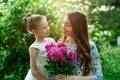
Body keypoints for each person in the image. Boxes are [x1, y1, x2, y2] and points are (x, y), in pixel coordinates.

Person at [56, 11, 102, 80]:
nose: (63, 27)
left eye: (68, 25)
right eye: (63, 23)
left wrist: (73, 78)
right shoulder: (60, 45)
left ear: (77, 28)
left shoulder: (90, 46)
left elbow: (99, 77)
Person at [24, 13, 55, 80]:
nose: (48, 29)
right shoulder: (34, 48)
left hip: (53, 74)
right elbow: (33, 71)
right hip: (42, 77)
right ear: (34, 31)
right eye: (44, 28)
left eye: (47, 26)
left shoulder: (52, 40)